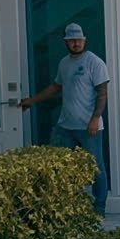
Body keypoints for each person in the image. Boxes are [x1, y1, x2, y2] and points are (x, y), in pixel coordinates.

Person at [20, 22, 109, 213]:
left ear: (84, 40)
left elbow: (102, 93)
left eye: (79, 40)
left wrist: (95, 118)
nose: (76, 43)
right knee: (61, 166)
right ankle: (68, 206)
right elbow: (56, 87)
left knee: (96, 167)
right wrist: (32, 101)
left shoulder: (95, 62)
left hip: (89, 127)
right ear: (66, 42)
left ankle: (100, 207)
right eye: (72, 40)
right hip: (65, 126)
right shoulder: (64, 63)